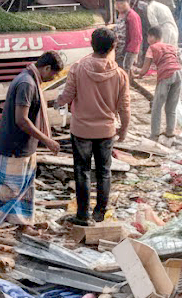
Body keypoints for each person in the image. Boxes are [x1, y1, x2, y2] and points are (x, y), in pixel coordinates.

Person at [0, 52, 64, 234]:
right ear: (47, 68)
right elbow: (21, 120)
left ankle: (23, 224)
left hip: (26, 146)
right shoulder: (27, 83)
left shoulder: (30, 80)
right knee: (10, 190)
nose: (53, 78)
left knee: (26, 188)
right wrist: (46, 139)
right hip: (14, 146)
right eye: (54, 74)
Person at [54, 30, 128, 226]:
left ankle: (82, 215)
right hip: (106, 130)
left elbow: (67, 95)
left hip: (81, 130)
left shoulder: (78, 68)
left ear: (92, 44)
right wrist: (123, 129)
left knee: (82, 171)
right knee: (104, 171)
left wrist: (57, 102)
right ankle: (100, 213)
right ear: (113, 47)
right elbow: (124, 107)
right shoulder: (120, 74)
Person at [134, 26, 181, 144]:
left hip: (166, 74)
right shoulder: (170, 46)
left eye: (148, 37)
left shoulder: (152, 48)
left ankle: (154, 135)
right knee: (171, 106)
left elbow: (144, 70)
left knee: (156, 107)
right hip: (179, 73)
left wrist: (136, 74)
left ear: (152, 37)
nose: (147, 40)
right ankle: (170, 132)